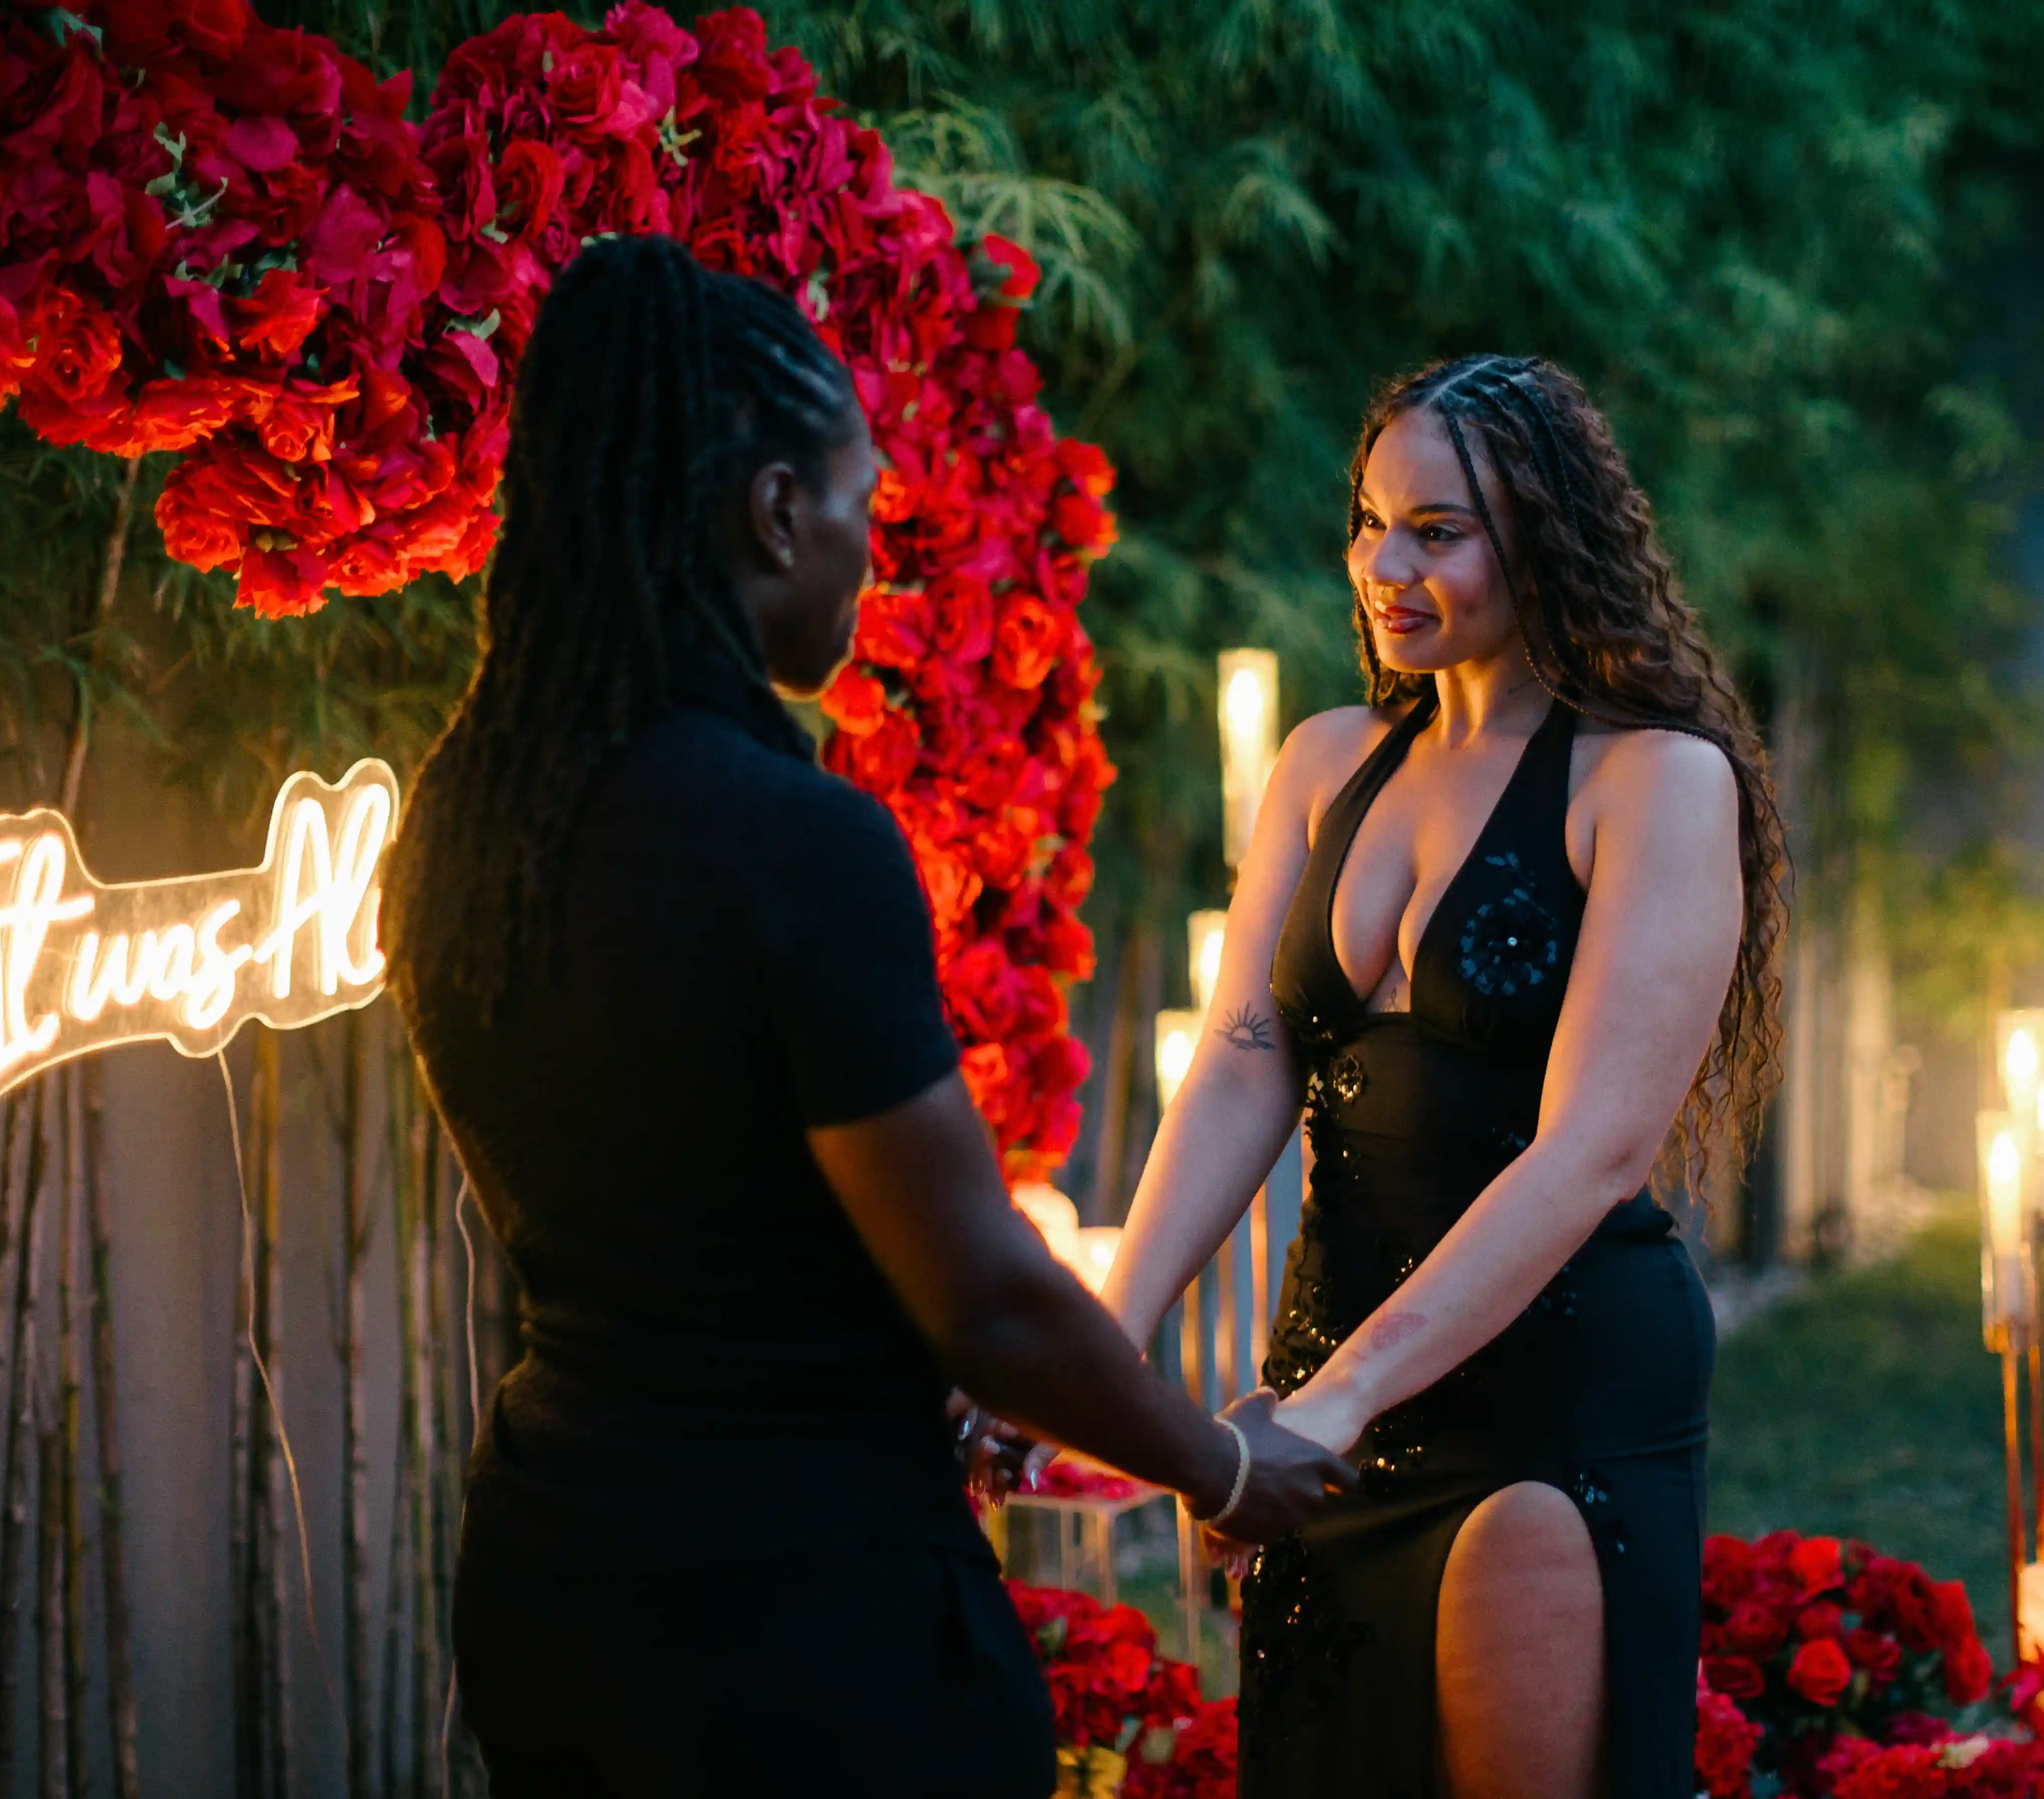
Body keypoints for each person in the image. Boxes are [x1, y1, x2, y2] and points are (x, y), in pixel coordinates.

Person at [381, 235, 1354, 1799]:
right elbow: (981, 1294)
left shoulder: (463, 824)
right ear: (775, 513)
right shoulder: (793, 838)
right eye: (860, 509)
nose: (867, 550)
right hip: (801, 1617)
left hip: (559, 1575)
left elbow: (694, 1209)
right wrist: (1223, 1463)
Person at [1095, 355, 1790, 1799]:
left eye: (1437, 531)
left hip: (1548, 1394)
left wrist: (1333, 1410)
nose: (1383, 568)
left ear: (1542, 535)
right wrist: (1104, 1350)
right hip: (1327, 1381)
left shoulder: (1653, 781)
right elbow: (1241, 1070)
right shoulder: (1326, 761)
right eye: (1369, 522)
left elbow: (1591, 1152)